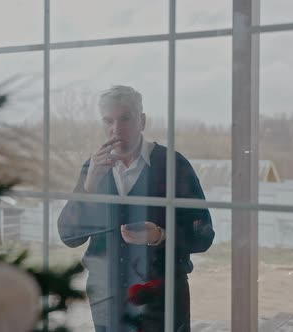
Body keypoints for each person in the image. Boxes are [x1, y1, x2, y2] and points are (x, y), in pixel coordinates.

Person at [57, 85, 215, 332]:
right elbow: (68, 236)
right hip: (105, 298)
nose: (116, 129)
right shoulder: (94, 167)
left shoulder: (173, 165)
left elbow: (204, 235)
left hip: (163, 299)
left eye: (125, 119)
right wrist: (87, 188)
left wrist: (160, 236)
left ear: (142, 121)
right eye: (108, 121)